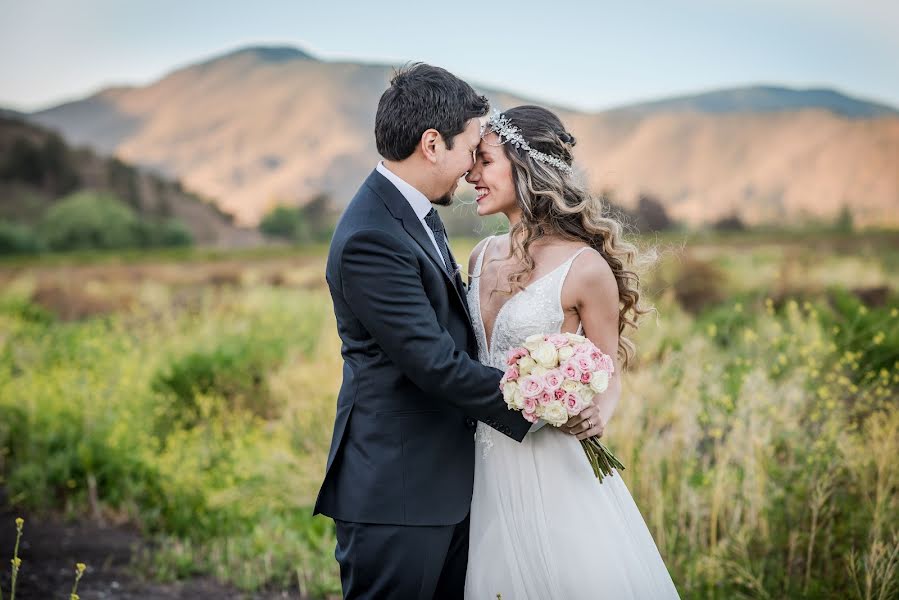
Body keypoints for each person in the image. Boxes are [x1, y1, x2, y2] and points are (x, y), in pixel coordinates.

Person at [313, 65, 600, 598]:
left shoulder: (411, 215)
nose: (472, 166)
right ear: (431, 144)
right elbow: (433, 363)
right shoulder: (371, 236)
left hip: (448, 483)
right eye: (472, 148)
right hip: (398, 493)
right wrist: (542, 402)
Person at [463, 105, 680, 599]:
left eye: (485, 161)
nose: (471, 174)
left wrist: (596, 416)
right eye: (472, 161)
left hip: (551, 463)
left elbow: (609, 371)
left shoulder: (585, 268)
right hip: (479, 463)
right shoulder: (479, 256)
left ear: (526, 168)